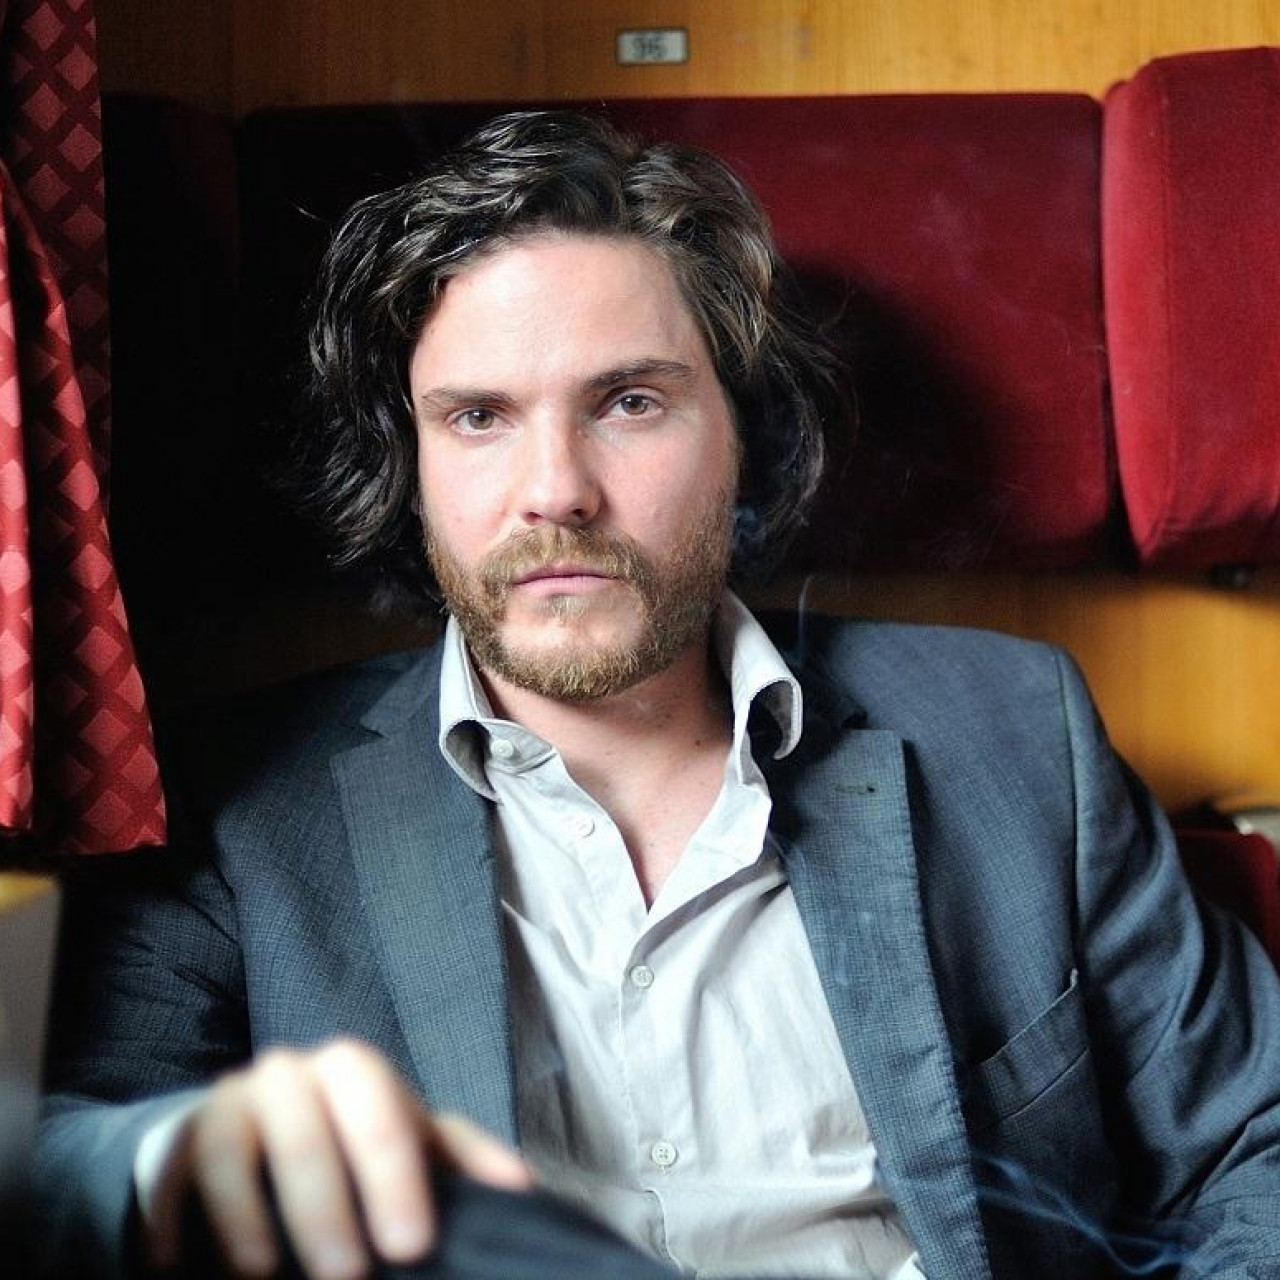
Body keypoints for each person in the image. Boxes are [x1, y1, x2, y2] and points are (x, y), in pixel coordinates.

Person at [33, 111, 1280, 1280]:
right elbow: (58, 1167)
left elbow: (1251, 1147)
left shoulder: (1015, 731)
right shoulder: (236, 804)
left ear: (744, 433)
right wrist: (175, 1156)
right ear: (409, 463)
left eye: (628, 402)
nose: (555, 489)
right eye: (477, 417)